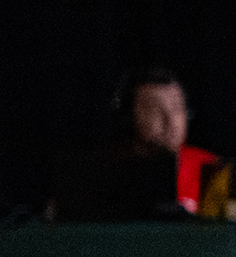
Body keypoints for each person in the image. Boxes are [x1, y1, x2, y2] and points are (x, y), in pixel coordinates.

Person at [53, 67, 218, 219]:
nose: (170, 121)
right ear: (128, 117)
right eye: (155, 109)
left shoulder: (210, 167)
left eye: (176, 108)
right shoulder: (98, 174)